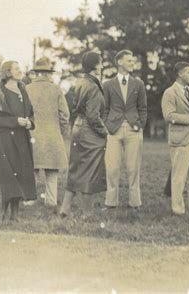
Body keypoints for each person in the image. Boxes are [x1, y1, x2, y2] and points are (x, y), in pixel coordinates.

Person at [0, 61, 36, 221]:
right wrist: (15, 121)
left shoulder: (23, 89)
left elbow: (31, 113)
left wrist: (29, 123)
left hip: (22, 140)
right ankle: (3, 212)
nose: (20, 70)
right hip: (5, 141)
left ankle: (15, 214)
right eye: (16, 68)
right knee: (8, 177)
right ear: (7, 72)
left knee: (20, 175)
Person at [59, 52, 108, 218]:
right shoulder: (93, 86)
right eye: (100, 63)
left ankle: (65, 208)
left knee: (75, 169)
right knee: (90, 171)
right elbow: (94, 116)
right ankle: (87, 213)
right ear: (95, 66)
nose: (102, 66)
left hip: (77, 128)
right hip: (90, 132)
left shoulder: (79, 82)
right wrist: (105, 132)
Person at [103, 50, 147, 210]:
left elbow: (143, 108)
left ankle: (135, 203)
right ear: (119, 62)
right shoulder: (107, 84)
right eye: (129, 60)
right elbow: (104, 109)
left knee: (133, 167)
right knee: (112, 168)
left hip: (133, 130)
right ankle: (110, 203)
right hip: (113, 131)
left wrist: (139, 125)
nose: (132, 63)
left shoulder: (139, 84)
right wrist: (108, 125)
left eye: (133, 61)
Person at [26, 57, 69, 209]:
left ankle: (29, 199)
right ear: (48, 73)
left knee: (30, 167)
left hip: (32, 135)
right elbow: (64, 114)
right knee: (52, 170)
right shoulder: (56, 89)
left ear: (37, 73)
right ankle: (51, 201)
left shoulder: (27, 89)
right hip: (52, 135)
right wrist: (61, 132)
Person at [161, 62, 189, 215]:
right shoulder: (169, 93)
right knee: (179, 175)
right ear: (180, 74)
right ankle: (177, 209)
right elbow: (169, 116)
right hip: (179, 138)